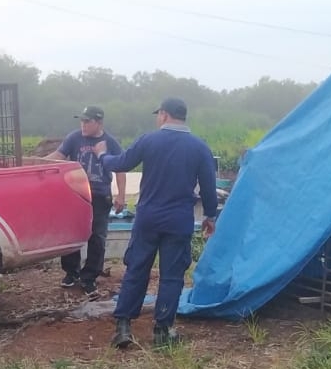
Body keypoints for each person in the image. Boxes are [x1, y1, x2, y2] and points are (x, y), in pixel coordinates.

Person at [95, 97, 218, 349]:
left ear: (163, 114)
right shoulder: (199, 147)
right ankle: (163, 331)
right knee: (172, 276)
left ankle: (123, 327)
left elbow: (121, 163)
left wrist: (102, 155)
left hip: (148, 219)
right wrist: (210, 215)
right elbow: (208, 186)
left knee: (137, 270)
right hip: (179, 221)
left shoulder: (149, 140)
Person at [51, 106, 127, 297]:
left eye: (87, 121)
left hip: (100, 195)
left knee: (97, 237)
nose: (83, 125)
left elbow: (120, 168)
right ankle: (71, 272)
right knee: (71, 233)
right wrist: (35, 162)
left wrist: (121, 195)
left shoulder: (110, 142)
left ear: (99, 123)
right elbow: (58, 157)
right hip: (75, 194)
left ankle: (89, 277)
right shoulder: (74, 138)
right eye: (81, 121)